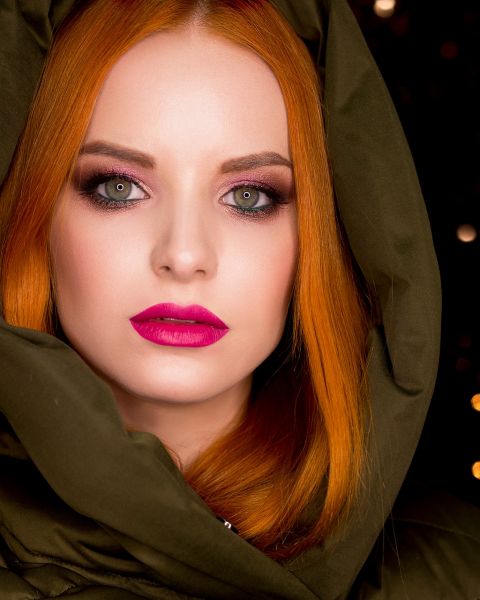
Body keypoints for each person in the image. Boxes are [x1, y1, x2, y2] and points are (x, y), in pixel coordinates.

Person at [0, 0, 478, 598]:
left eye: (249, 196)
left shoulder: (461, 572)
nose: (184, 254)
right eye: (119, 187)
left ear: (321, 236)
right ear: (35, 213)